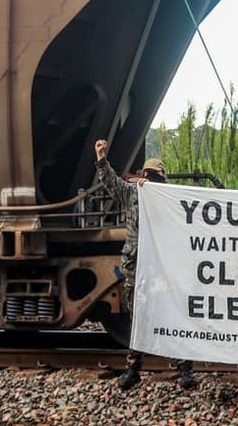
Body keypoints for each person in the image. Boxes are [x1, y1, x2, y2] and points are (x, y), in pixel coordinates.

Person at [94, 139, 195, 391]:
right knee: (137, 318)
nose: (150, 181)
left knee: (174, 315)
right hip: (136, 266)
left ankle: (185, 369)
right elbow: (110, 182)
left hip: (163, 267)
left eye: (155, 178)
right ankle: (133, 369)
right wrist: (101, 158)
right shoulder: (131, 193)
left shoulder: (170, 200)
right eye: (148, 176)